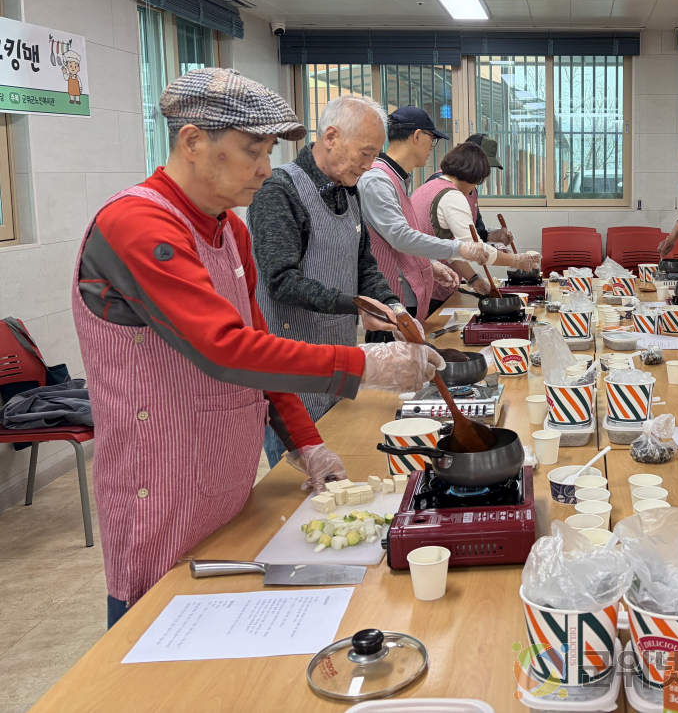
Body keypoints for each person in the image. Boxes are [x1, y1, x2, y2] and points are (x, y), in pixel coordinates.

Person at [71, 68, 443, 627]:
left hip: (223, 471)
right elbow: (224, 350)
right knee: (151, 636)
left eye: (270, 151)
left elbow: (258, 342)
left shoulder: (229, 231)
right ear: (193, 141)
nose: (266, 169)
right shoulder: (138, 222)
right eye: (253, 151)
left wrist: (306, 441)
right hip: (162, 478)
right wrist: (363, 364)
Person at [248, 94, 404, 468]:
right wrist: (357, 306)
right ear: (331, 136)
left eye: (374, 157)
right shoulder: (279, 191)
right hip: (289, 375)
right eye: (365, 154)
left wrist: (393, 306)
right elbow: (281, 280)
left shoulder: (347, 191)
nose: (369, 167)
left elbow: (363, 264)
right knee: (302, 492)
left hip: (335, 363)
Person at [357, 107, 500, 328]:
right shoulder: (378, 180)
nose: (432, 149)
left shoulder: (399, 179)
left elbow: (400, 240)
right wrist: (458, 249)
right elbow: (400, 237)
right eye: (431, 139)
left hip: (408, 297)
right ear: (416, 136)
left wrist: (430, 264)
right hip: (390, 302)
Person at [412, 141, 539, 308]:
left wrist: (474, 280)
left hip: (415, 284)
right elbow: (476, 249)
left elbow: (451, 250)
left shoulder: (427, 188)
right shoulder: (452, 196)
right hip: (425, 286)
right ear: (474, 175)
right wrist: (515, 260)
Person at [428, 133, 516, 250]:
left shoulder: (471, 189)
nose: (483, 174)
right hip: (435, 257)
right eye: (482, 167)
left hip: (453, 259)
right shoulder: (441, 186)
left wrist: (492, 240)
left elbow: (474, 231)